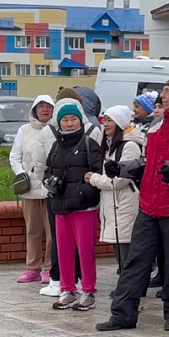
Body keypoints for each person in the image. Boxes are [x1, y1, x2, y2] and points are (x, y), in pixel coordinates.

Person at [95, 77, 169, 332]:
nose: (162, 96)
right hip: (148, 205)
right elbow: (145, 162)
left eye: (167, 91)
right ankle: (123, 314)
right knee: (136, 261)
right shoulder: (156, 125)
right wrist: (122, 169)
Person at [33, 88, 103, 297]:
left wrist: (83, 191)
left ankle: (88, 290)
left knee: (85, 250)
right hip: (60, 204)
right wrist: (47, 182)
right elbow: (45, 168)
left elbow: (98, 172)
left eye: (74, 119)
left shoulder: (90, 142)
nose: (69, 123)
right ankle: (67, 288)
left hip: (83, 206)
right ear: (59, 121)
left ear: (80, 120)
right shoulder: (55, 145)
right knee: (62, 249)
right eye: (65, 120)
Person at [88, 105, 142, 271]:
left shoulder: (130, 146)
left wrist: (94, 179)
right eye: (104, 120)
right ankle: (127, 284)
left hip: (124, 205)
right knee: (119, 248)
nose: (105, 124)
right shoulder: (111, 145)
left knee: (126, 249)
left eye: (110, 120)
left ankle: (129, 286)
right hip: (113, 205)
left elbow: (120, 180)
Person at [9, 95, 56, 284]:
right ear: (35, 110)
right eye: (41, 106)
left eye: (48, 106)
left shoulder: (56, 129)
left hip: (50, 188)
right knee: (33, 230)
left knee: (52, 230)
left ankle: (50, 267)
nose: (44, 110)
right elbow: (15, 157)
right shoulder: (24, 130)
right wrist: (23, 174)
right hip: (29, 189)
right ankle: (32, 268)